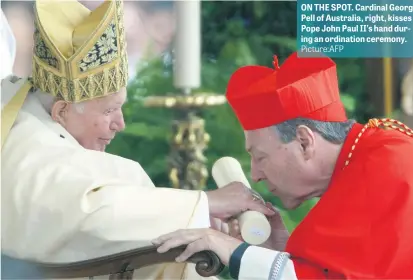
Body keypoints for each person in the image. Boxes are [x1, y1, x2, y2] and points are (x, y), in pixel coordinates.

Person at [0, 1, 273, 279]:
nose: (121, 123)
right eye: (108, 111)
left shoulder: (27, 110)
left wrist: (197, 217)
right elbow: (89, 213)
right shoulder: (27, 145)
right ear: (61, 110)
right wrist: (204, 203)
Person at [153, 52, 413, 279]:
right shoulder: (367, 157)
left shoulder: (388, 166)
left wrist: (230, 248)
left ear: (305, 142)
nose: (256, 175)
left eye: (260, 157)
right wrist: (277, 253)